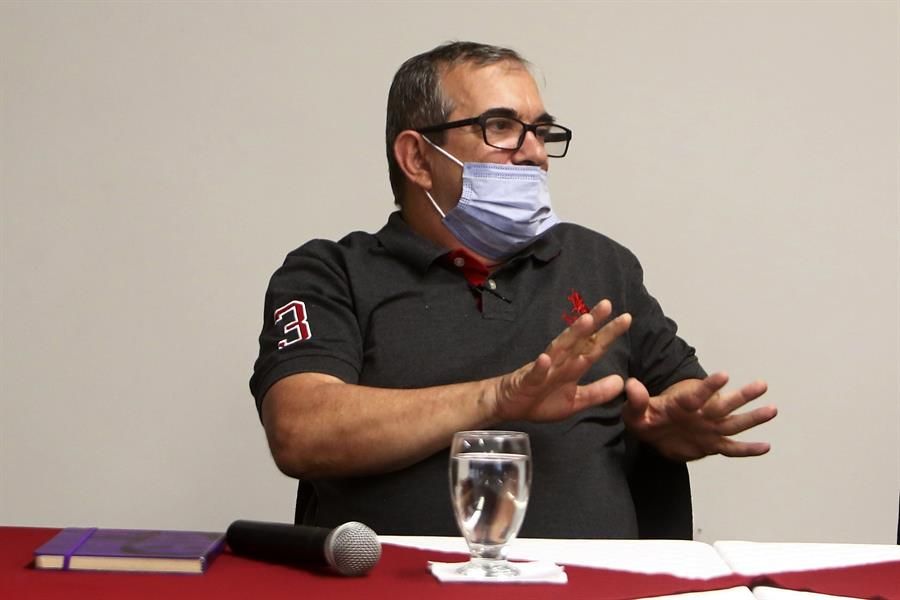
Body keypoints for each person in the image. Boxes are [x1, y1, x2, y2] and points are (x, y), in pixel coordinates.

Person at [249, 41, 777, 539]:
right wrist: (500, 397)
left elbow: (676, 399)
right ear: (417, 159)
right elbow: (301, 430)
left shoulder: (600, 263)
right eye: (500, 126)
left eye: (540, 131)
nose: (535, 154)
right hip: (396, 589)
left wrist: (674, 429)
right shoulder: (331, 273)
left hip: (595, 592)